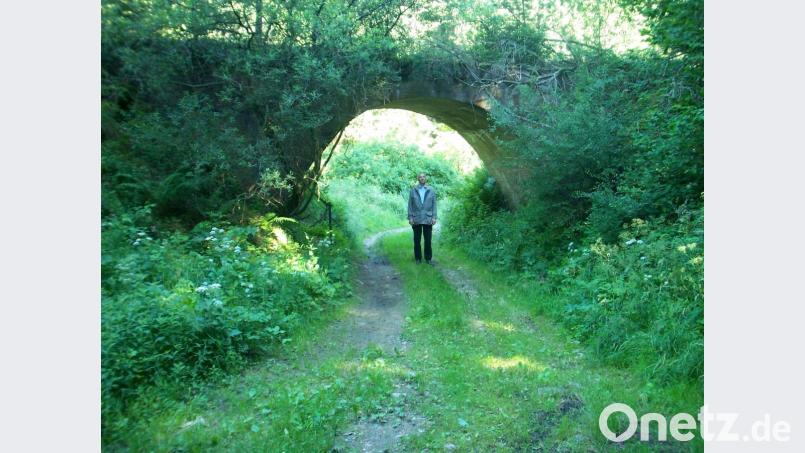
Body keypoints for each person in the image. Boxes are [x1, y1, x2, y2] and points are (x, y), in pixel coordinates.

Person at [407, 172, 437, 264]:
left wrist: (434, 217)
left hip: (428, 218)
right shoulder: (413, 190)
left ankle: (428, 259)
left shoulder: (431, 190)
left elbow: (434, 204)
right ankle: (418, 259)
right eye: (420, 177)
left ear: (426, 179)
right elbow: (410, 205)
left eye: (424, 177)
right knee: (417, 240)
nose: (422, 178)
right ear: (418, 179)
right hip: (416, 218)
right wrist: (410, 217)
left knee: (428, 240)